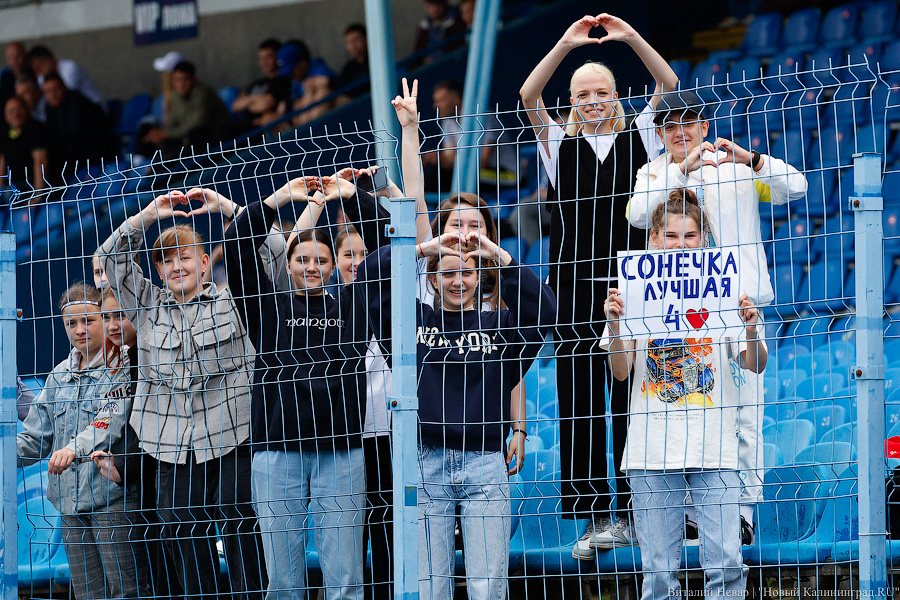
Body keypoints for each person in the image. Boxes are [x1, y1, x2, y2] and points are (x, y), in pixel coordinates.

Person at [519, 12, 679, 559]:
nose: (592, 100)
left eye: (602, 92)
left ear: (616, 98)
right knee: (579, 401)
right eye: (582, 94)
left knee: (633, 397)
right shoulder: (556, 143)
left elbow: (668, 83)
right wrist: (565, 44)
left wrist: (630, 37)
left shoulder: (643, 135)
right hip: (571, 289)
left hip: (632, 287)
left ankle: (636, 512)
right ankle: (594, 517)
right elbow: (528, 95)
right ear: (571, 102)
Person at [627, 90, 808, 538]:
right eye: (670, 126)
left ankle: (743, 513)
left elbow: (798, 187)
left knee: (745, 414)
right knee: (688, 407)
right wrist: (680, 172)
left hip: (739, 309)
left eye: (688, 123)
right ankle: (693, 513)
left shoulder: (735, 166)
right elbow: (637, 216)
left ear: (705, 126)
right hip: (677, 311)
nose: (680, 132)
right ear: (660, 134)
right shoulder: (653, 172)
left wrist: (751, 159)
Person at [357, 219, 556, 600]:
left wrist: (495, 254)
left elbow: (545, 309)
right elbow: (367, 278)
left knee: (488, 587)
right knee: (430, 587)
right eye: (448, 273)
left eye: (467, 272)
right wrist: (423, 249)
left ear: (480, 277)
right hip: (425, 462)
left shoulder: (501, 327)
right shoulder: (410, 324)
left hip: (485, 464)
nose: (458, 281)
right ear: (433, 279)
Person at [98, 196, 267, 600]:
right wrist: (147, 217)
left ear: (205, 262)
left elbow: (274, 253)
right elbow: (109, 259)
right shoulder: (146, 308)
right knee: (179, 528)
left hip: (232, 437)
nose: (177, 267)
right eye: (167, 260)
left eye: (186, 257)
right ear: (158, 270)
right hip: (170, 446)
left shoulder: (235, 301)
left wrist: (227, 208)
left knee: (239, 523)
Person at [604, 188, 765, 599]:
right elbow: (620, 372)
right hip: (651, 449)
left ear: (703, 238)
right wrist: (617, 326)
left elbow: (755, 363)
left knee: (727, 563)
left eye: (689, 235)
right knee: (658, 573)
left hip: (714, 447)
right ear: (654, 238)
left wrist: (750, 327)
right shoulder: (633, 291)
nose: (680, 244)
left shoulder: (726, 287)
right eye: (671, 236)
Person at [224, 175, 371, 600]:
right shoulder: (266, 306)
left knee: (346, 580)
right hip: (277, 450)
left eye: (321, 260)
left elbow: (386, 251)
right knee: (284, 583)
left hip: (341, 451)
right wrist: (277, 200)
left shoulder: (354, 305)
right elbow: (236, 247)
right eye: (301, 259)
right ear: (286, 265)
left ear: (335, 266)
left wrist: (352, 198)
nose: (311, 267)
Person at [17, 282, 144, 600]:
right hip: (69, 507)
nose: (79, 330)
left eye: (88, 320)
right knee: (88, 595)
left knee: (127, 591)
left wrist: (73, 448)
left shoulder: (123, 368)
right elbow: (35, 437)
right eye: (70, 323)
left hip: (112, 501)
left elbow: (109, 420)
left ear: (104, 320)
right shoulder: (57, 376)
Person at [91, 287, 182, 600]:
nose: (113, 325)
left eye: (121, 315)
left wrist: (126, 466)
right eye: (106, 317)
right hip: (141, 483)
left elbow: (157, 422)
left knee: (172, 572)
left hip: (164, 480)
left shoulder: (151, 357)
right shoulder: (126, 359)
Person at [421, 79, 517, 192]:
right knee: (437, 176)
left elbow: (482, 162)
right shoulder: (447, 122)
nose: (435, 106)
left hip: (506, 173)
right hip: (476, 172)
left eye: (440, 101)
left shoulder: (482, 117)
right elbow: (449, 157)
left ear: (456, 100)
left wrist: (443, 159)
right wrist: (436, 158)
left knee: (459, 178)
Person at [138, 60, 232, 160]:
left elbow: (196, 124)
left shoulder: (202, 94)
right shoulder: (175, 96)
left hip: (214, 135)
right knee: (146, 130)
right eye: (177, 80)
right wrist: (159, 133)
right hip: (186, 135)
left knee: (193, 136)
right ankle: (141, 161)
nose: (181, 84)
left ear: (193, 79)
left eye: (185, 79)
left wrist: (166, 134)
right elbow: (172, 122)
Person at [43, 73, 116, 176]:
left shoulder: (77, 102)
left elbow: (76, 133)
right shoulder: (50, 108)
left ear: (65, 87)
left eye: (56, 89)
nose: (53, 94)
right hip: (73, 158)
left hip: (95, 154)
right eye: (48, 92)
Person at [231, 38, 291, 129]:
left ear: (278, 57)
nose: (264, 62)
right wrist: (255, 98)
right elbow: (235, 106)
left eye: (268, 57)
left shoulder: (283, 81)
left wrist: (247, 100)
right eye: (261, 58)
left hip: (259, 128)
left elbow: (263, 105)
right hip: (242, 125)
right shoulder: (256, 83)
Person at [0, 95, 49, 193]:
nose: (16, 114)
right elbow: (2, 162)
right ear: (6, 116)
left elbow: (40, 161)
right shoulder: (4, 133)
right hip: (10, 186)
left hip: (29, 186)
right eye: (11, 111)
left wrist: (37, 194)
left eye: (19, 109)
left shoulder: (36, 130)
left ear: (27, 110)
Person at [279, 40, 334, 127]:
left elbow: (326, 82)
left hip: (332, 119)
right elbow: (296, 110)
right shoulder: (295, 81)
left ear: (303, 63)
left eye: (292, 71)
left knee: (322, 91)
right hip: (309, 122)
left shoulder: (317, 68)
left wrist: (311, 89)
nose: (290, 76)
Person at [27, 45, 103, 107]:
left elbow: (65, 96)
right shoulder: (42, 77)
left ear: (47, 60)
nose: (37, 74)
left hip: (93, 108)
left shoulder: (70, 68)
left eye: (38, 68)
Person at [412, 0, 466, 66]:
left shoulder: (457, 21)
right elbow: (417, 54)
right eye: (431, 4)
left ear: (445, 3)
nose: (435, 9)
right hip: (428, 67)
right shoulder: (424, 26)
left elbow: (458, 50)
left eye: (438, 4)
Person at [331, 24, 370, 101]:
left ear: (366, 39)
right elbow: (340, 84)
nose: (353, 46)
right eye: (349, 42)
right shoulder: (350, 66)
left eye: (356, 40)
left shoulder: (377, 62)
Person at [1, 42, 29, 118]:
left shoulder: (35, 73)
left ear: (25, 55)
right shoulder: (4, 77)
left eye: (18, 55)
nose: (14, 60)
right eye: (11, 57)